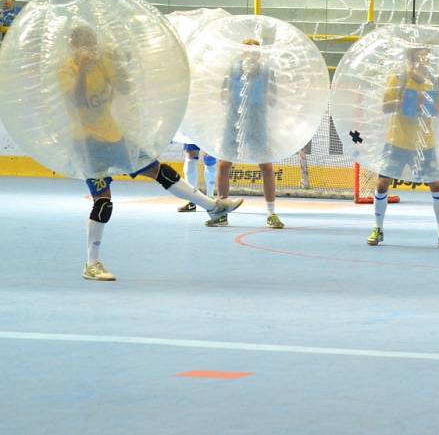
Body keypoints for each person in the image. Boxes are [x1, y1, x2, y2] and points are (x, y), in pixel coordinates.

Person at [59, 25, 242, 281]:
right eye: (82, 45)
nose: (87, 50)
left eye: (91, 44)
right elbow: (75, 100)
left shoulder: (101, 63)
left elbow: (123, 88)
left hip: (113, 136)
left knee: (157, 169)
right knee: (103, 202)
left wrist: (118, 63)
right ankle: (92, 263)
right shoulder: (67, 69)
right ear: (73, 47)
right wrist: (83, 71)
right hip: (87, 144)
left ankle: (212, 207)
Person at [367, 47, 439, 249]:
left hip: (424, 143)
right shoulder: (399, 79)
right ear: (410, 60)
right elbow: (386, 107)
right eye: (419, 59)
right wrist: (405, 99)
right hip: (396, 140)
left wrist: (427, 102)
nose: (423, 62)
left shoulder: (436, 81)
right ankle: (378, 228)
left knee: (436, 186)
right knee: (382, 184)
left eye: (426, 58)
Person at [207, 38, 284, 229]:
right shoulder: (233, 70)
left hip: (257, 121)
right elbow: (222, 95)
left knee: (266, 166)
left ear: (260, 55)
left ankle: (271, 213)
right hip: (233, 121)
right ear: (241, 53)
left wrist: (269, 97)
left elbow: (274, 99)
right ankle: (222, 211)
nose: (252, 55)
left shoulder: (266, 72)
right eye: (248, 51)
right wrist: (229, 98)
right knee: (224, 164)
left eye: (256, 52)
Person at [177, 144, 217, 212]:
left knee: (209, 157)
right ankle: (191, 201)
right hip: (192, 133)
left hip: (210, 134)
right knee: (190, 157)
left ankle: (210, 199)